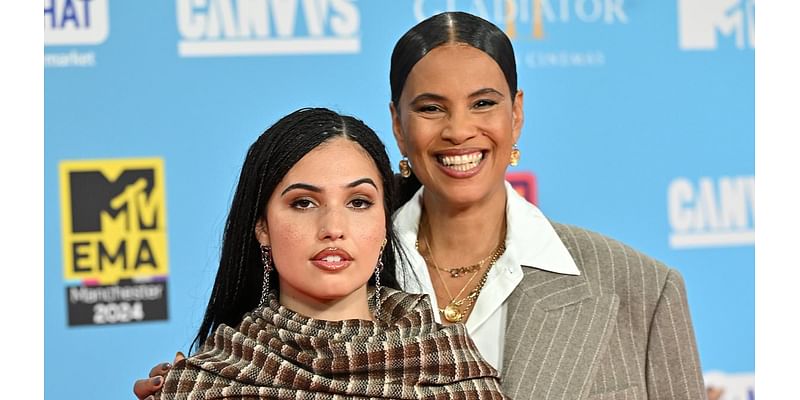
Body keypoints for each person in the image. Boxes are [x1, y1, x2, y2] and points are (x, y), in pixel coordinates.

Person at [137, 12, 706, 400]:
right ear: (398, 126)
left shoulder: (641, 290)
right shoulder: (344, 271)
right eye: (431, 108)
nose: (460, 131)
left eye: (484, 103)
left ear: (517, 116)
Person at [146, 107, 506, 399]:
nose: (333, 226)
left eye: (359, 202)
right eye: (303, 203)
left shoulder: (453, 372)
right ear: (262, 228)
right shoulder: (203, 386)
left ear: (384, 226)